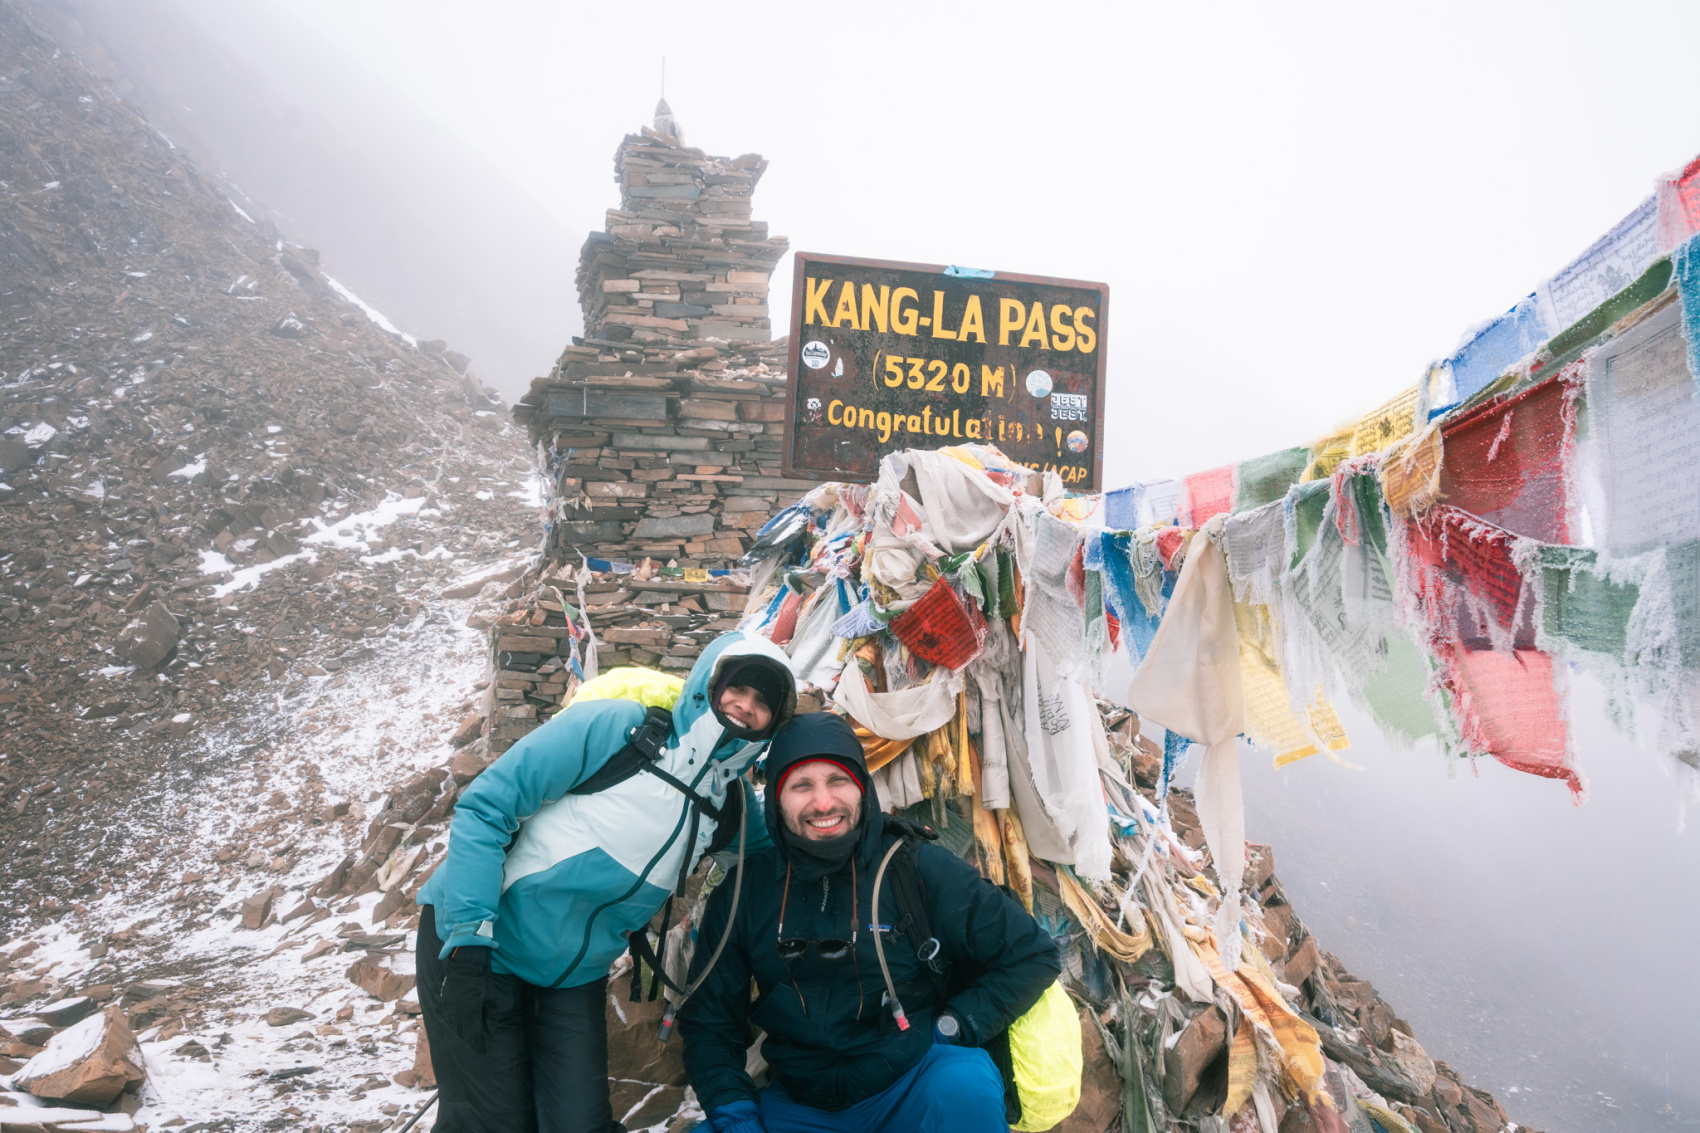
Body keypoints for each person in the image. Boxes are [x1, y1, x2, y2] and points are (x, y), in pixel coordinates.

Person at [415, 631, 798, 1133]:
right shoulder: (619, 731)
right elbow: (486, 807)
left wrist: (878, 832)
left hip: (571, 977)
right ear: (710, 683)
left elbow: (783, 855)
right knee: (489, 1123)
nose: (745, 706)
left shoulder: (732, 805)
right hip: (478, 948)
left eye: (763, 701)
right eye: (738, 687)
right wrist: (468, 937)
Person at [679, 712, 1061, 1133]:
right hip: (802, 1100)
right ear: (776, 797)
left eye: (838, 781)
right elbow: (708, 1022)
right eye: (801, 786)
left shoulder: (917, 867)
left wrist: (951, 1029)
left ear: (862, 787)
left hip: (912, 1080)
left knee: (964, 1085)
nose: (823, 803)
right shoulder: (745, 892)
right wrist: (735, 1113)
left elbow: (1032, 954)